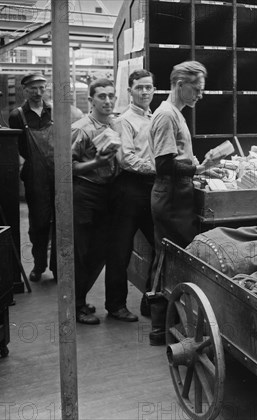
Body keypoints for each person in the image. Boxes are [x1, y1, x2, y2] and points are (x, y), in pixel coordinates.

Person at [148, 61, 222, 345]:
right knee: (168, 258)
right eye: (197, 89)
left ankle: (166, 325)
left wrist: (197, 166)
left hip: (176, 194)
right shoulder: (167, 115)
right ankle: (160, 330)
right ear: (180, 85)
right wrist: (199, 169)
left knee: (169, 257)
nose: (200, 95)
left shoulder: (175, 113)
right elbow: (164, 165)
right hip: (171, 197)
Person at [104, 69, 156, 322]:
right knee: (120, 250)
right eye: (140, 88)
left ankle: (151, 300)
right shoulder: (124, 121)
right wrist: (159, 168)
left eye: (149, 87)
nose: (145, 92)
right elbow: (126, 160)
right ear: (130, 91)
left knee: (160, 245)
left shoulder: (154, 117)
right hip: (128, 189)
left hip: (150, 189)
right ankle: (115, 305)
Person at [71, 78, 120, 325]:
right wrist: (96, 163)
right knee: (82, 252)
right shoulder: (81, 128)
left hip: (107, 194)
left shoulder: (114, 125)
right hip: (85, 193)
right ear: (91, 100)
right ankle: (76, 305)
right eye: (102, 96)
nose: (108, 101)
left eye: (111, 96)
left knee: (100, 251)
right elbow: (66, 167)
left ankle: (79, 299)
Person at [9, 72, 56, 283]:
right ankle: (39, 265)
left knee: (61, 221)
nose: (38, 93)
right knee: (39, 222)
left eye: (41, 88)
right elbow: (18, 148)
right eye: (33, 89)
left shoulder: (54, 111)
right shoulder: (17, 115)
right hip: (34, 176)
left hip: (57, 173)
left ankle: (57, 266)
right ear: (24, 90)